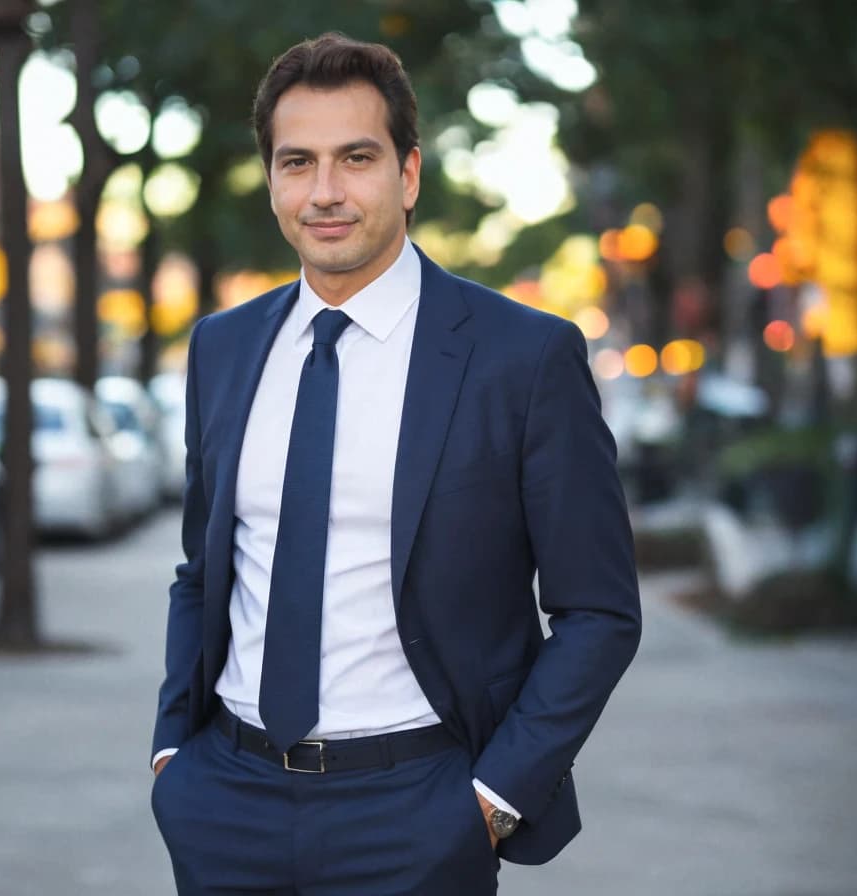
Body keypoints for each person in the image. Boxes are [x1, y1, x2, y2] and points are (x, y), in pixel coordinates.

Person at [150, 32, 641, 896]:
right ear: (272, 181)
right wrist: (172, 757)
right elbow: (204, 569)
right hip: (226, 799)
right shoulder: (222, 349)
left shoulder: (520, 358)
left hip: (419, 809)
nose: (326, 192)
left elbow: (599, 611)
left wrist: (492, 800)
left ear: (409, 175)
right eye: (297, 162)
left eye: (357, 158)